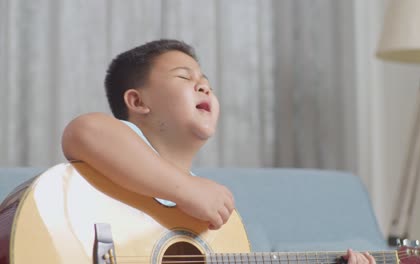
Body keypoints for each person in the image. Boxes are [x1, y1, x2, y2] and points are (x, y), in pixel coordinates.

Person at [61, 39, 375, 264]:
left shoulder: (200, 215)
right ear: (138, 102)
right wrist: (187, 190)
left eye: (206, 82)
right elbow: (84, 131)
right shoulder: (123, 152)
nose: (204, 87)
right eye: (185, 77)